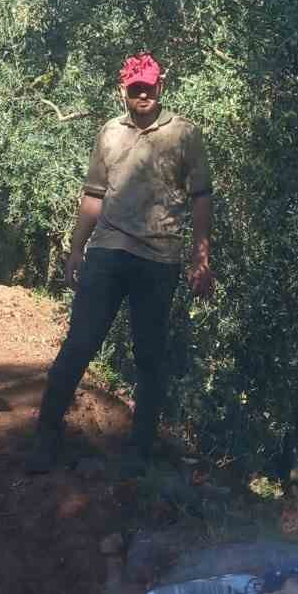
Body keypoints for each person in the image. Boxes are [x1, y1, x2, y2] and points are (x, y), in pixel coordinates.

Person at [26, 55, 215, 475]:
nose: (143, 94)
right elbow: (94, 194)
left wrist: (201, 256)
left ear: (161, 85)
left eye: (148, 86)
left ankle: (140, 451)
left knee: (149, 355)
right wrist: (77, 248)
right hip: (108, 250)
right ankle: (45, 437)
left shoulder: (185, 134)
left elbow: (202, 196)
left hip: (160, 257)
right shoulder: (109, 133)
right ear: (123, 89)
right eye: (135, 88)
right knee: (80, 343)